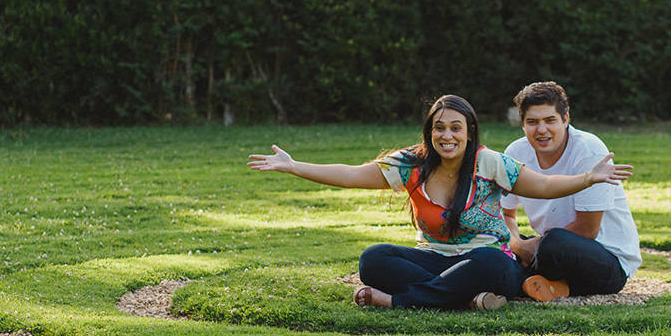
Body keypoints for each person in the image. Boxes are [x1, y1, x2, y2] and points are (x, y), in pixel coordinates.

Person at [249, 94, 632, 310]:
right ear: (429, 132)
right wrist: (295, 166)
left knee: (487, 263)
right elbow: (351, 174)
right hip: (435, 256)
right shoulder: (409, 164)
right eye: (439, 127)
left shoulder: (490, 162)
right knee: (374, 259)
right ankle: (467, 299)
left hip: (489, 261)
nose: (447, 135)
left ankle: (400, 301)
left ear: (469, 133)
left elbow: (544, 185)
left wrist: (588, 178)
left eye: (455, 128)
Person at [501, 81, 641, 301]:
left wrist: (530, 249)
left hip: (606, 259)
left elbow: (588, 230)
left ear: (565, 119)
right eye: (532, 122)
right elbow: (505, 214)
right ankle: (544, 285)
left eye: (550, 120)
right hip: (548, 250)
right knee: (490, 243)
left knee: (552, 244)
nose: (541, 130)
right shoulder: (515, 152)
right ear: (522, 124)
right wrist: (518, 245)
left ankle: (517, 280)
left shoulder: (588, 149)